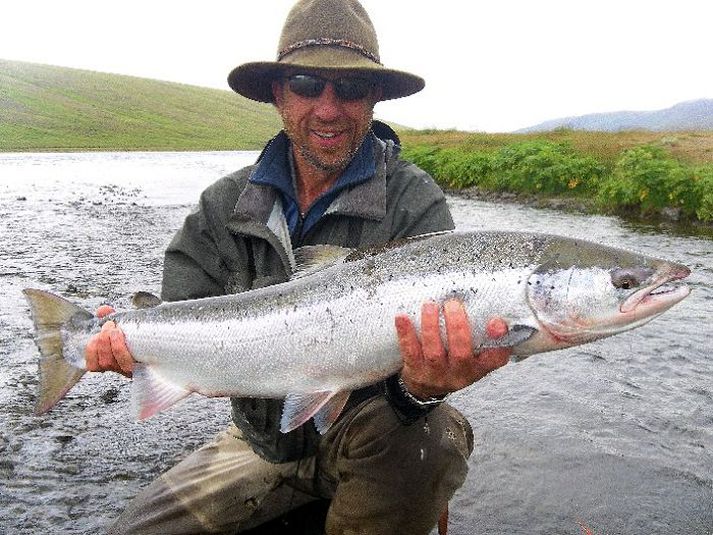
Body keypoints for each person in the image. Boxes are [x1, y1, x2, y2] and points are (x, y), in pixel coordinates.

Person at [88, 1, 511, 533]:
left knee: (435, 432)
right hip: (260, 442)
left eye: (350, 88)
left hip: (372, 437)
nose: (328, 108)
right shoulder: (225, 203)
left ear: (374, 98)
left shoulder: (413, 202)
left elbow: (428, 364)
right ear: (278, 94)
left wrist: (422, 388)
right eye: (308, 84)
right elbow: (179, 315)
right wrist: (137, 351)